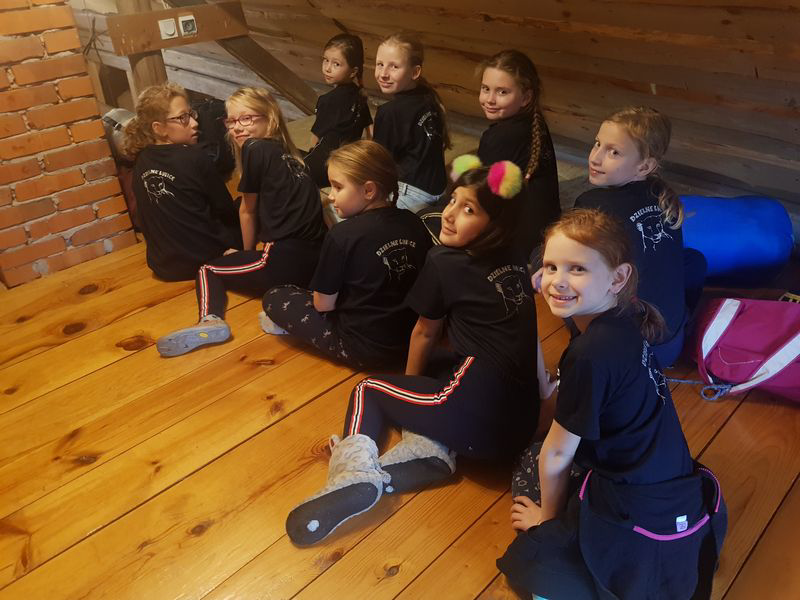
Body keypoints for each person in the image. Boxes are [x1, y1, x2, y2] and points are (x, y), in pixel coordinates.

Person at [285, 156, 542, 546]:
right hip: (519, 424)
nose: (449, 215)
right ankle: (430, 451)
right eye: (453, 200)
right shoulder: (515, 256)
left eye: (468, 210)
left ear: (496, 224)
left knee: (369, 390)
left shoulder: (445, 260)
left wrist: (405, 391)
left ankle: (353, 474)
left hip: (477, 420)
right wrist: (545, 390)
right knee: (445, 368)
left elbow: (424, 332)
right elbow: (528, 331)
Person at [498, 209, 726, 600]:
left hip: (632, 514)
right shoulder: (626, 320)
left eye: (577, 269)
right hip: (675, 492)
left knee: (531, 467)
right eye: (551, 267)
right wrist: (561, 276)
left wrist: (547, 526)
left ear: (618, 278)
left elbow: (556, 455)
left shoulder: (589, 354)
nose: (558, 281)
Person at [156, 87, 327, 357]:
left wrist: (245, 254)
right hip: (316, 263)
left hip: (284, 259)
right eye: (231, 121)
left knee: (208, 269)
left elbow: (248, 211)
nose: (237, 128)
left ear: (270, 118)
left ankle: (209, 319)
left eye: (246, 119)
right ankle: (291, 311)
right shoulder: (292, 157)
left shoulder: (255, 147)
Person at [261, 140, 431, 368]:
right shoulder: (414, 222)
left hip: (362, 348)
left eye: (338, 187)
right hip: (411, 343)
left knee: (275, 296)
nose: (331, 196)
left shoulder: (342, 235)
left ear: (369, 190)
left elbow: (323, 306)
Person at [573, 106, 707, 367]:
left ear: (644, 166)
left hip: (627, 354)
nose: (596, 158)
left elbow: (577, 269)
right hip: (670, 346)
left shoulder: (591, 203)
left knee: (562, 270)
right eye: (597, 144)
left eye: (614, 152)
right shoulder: (663, 195)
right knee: (692, 259)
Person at [125, 83, 242, 281]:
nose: (194, 123)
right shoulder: (196, 158)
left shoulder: (141, 160)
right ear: (159, 128)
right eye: (182, 118)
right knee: (247, 208)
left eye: (191, 114)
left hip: (163, 266)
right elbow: (225, 210)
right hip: (206, 261)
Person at [372, 32, 449, 213]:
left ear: (415, 72)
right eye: (380, 64)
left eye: (394, 67)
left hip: (410, 193)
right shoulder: (429, 97)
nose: (383, 74)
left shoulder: (389, 112)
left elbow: (379, 165)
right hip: (438, 190)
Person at [304, 34, 373, 188]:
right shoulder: (360, 95)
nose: (327, 68)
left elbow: (315, 140)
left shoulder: (328, 100)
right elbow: (370, 131)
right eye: (325, 60)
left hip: (323, 166)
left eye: (336, 64)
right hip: (346, 164)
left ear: (353, 72)